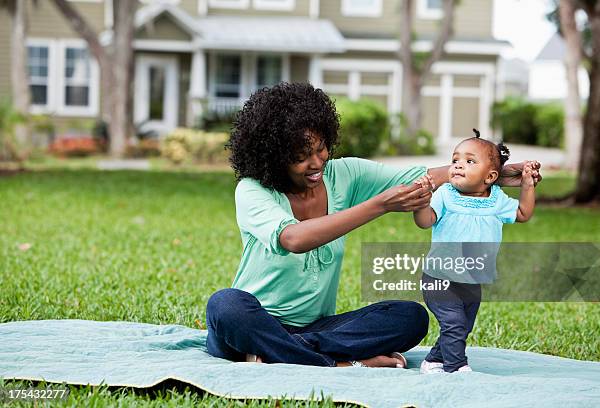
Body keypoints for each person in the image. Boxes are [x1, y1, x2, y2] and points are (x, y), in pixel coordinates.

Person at [205, 83, 541, 368]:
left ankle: (283, 353)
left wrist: (488, 175)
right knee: (225, 305)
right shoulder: (253, 190)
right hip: (253, 323)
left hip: (317, 327)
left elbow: (419, 178)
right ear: (273, 156)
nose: (316, 162)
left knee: (411, 316)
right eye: (301, 156)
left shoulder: (344, 174)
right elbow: (293, 238)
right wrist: (379, 205)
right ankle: (335, 364)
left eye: (321, 149)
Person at [413, 129, 537, 373]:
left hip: (472, 279)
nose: (458, 166)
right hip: (440, 277)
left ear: (490, 176)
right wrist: (422, 201)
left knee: (463, 325)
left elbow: (523, 213)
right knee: (454, 323)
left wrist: (527, 184)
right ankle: (456, 367)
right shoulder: (445, 195)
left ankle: (434, 360)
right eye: (455, 160)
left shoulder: (497, 200)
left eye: (469, 161)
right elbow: (424, 221)